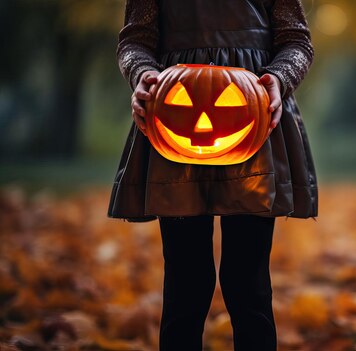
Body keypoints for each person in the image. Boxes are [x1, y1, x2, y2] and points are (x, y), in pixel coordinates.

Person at [107, 0, 318, 350]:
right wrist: (140, 74)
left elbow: (296, 40)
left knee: (247, 279)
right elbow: (135, 40)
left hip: (251, 119)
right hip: (176, 114)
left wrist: (279, 79)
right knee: (184, 279)